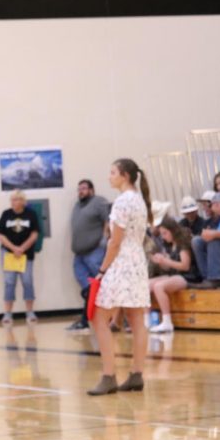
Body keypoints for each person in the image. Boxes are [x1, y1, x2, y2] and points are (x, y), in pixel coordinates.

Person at [87, 158, 152, 396]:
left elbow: (114, 242)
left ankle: (108, 375)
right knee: (136, 319)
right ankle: (136, 374)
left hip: (121, 263)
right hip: (137, 262)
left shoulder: (122, 202)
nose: (109, 176)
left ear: (124, 175)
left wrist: (102, 270)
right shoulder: (139, 200)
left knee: (98, 317)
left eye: (112, 172)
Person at [67, 179, 110, 332]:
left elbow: (108, 220)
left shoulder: (99, 202)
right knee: (88, 289)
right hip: (79, 255)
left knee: (103, 285)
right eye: (79, 189)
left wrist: (104, 239)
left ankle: (111, 318)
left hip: (94, 251)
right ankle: (89, 318)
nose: (81, 191)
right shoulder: (77, 206)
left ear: (92, 189)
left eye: (84, 188)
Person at [0, 189, 39, 324]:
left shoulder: (31, 214)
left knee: (27, 282)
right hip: (9, 254)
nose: (13, 202)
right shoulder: (6, 214)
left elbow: (34, 234)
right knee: (9, 283)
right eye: (12, 199)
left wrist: (22, 248)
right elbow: (0, 235)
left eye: (16, 199)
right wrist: (14, 248)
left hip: (26, 255)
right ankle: (7, 314)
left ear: (22, 201)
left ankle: (30, 312)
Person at [146, 217, 196, 334]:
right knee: (145, 285)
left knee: (159, 286)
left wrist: (166, 261)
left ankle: (167, 321)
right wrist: (160, 261)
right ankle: (146, 320)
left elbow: (185, 266)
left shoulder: (182, 243)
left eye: (165, 233)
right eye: (162, 234)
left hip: (186, 277)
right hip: (173, 275)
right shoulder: (169, 245)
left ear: (173, 230)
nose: (163, 236)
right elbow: (168, 267)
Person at [189, 192, 220, 290]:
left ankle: (214, 278)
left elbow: (219, 234)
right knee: (196, 241)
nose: (209, 207)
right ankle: (206, 277)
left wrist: (213, 233)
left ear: (216, 204)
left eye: (210, 205)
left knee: (214, 239)